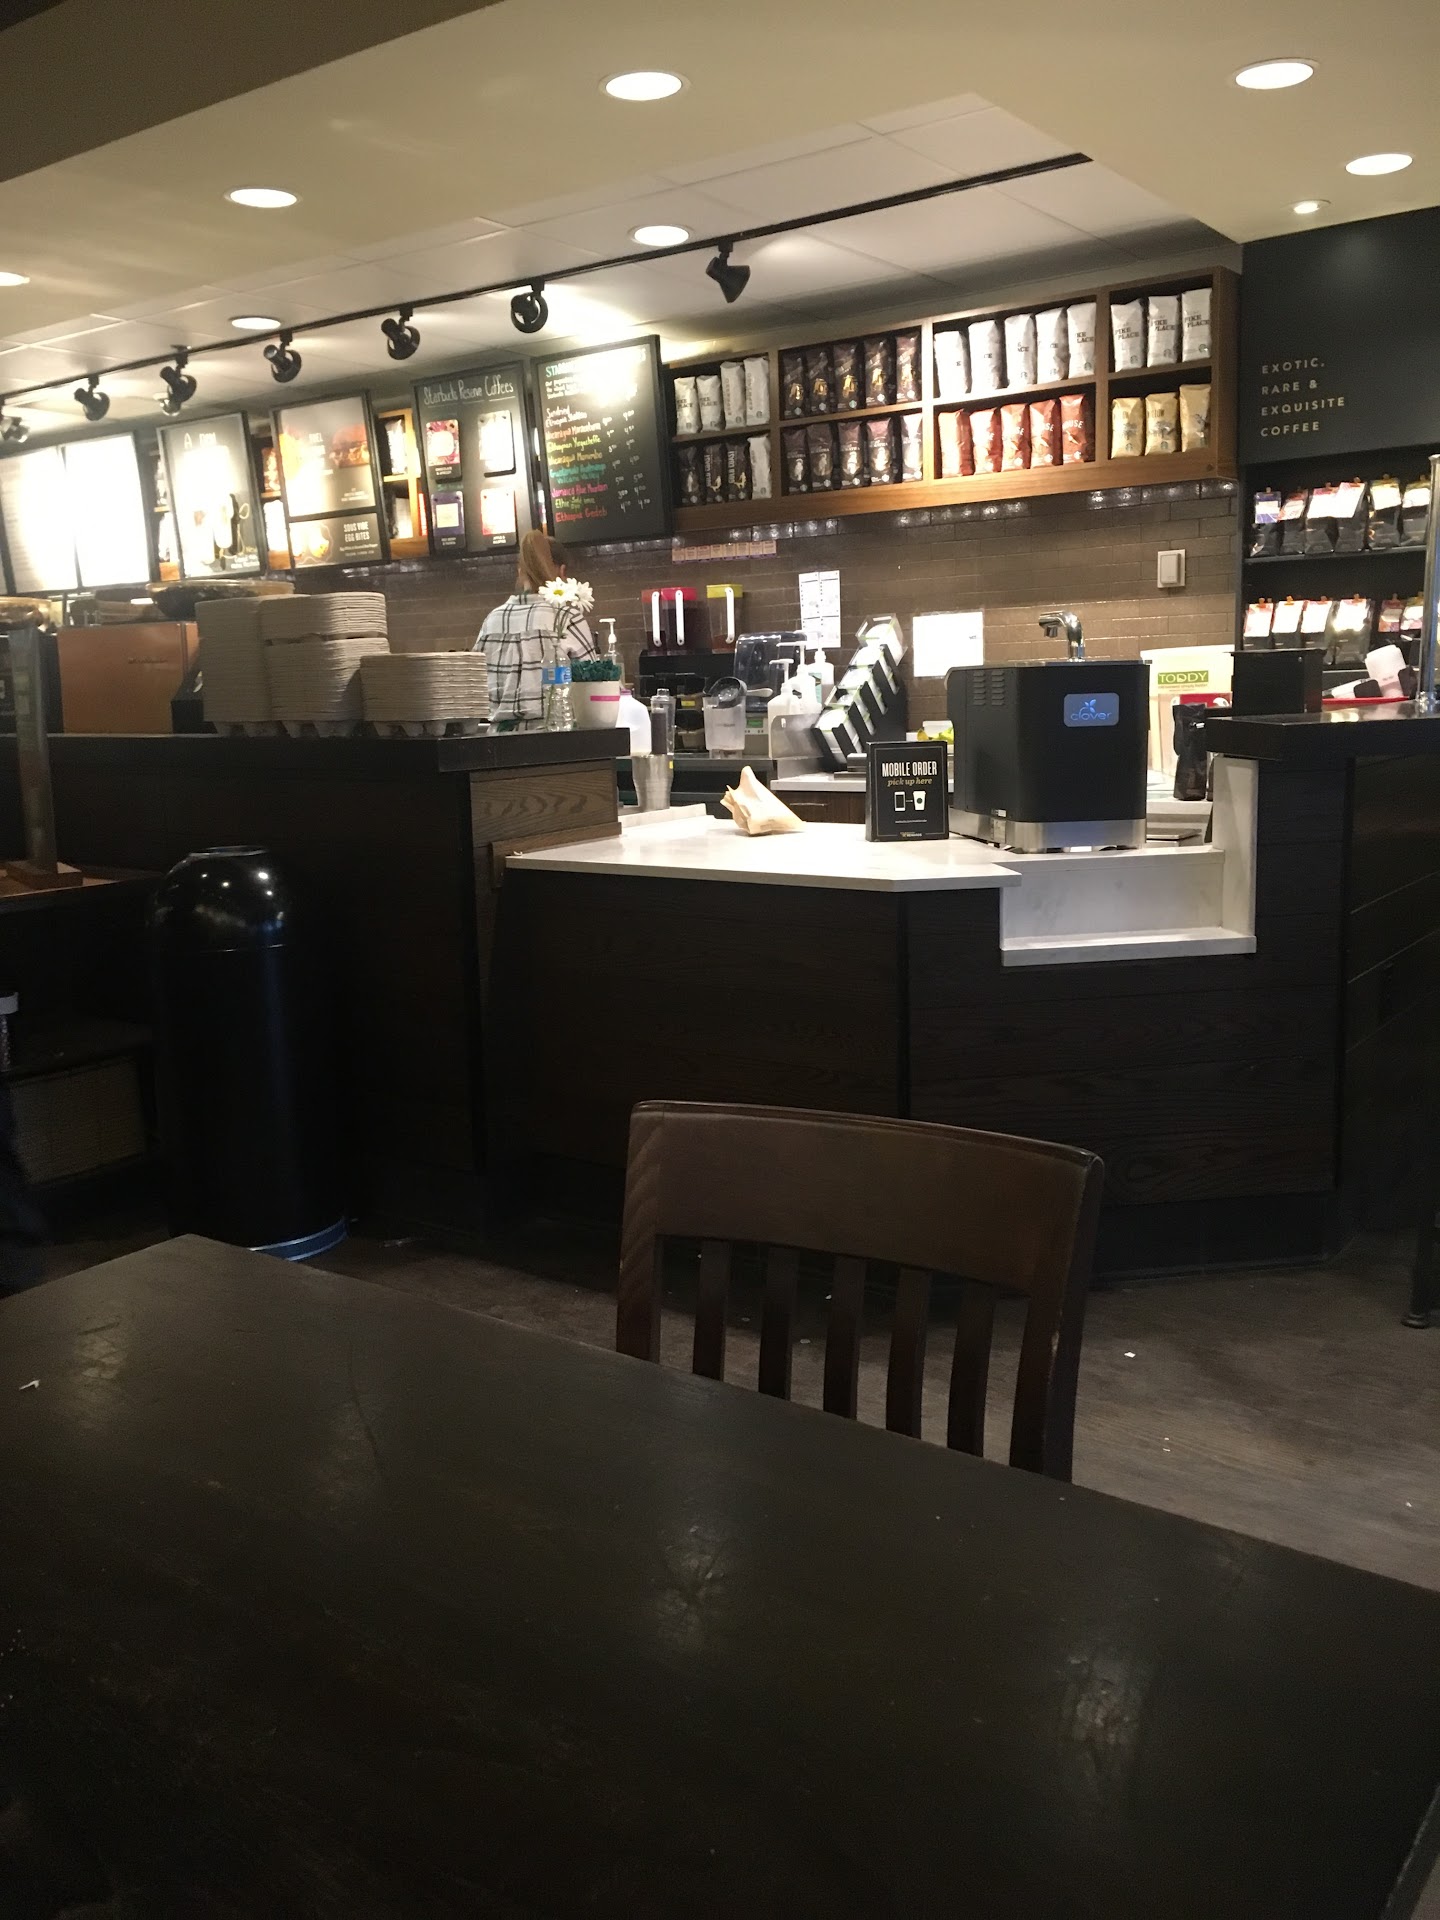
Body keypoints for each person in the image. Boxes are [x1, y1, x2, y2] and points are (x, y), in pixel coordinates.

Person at [473, 529, 597, 730]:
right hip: (554, 736)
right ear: (562, 572)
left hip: (497, 740)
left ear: (519, 571)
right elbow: (594, 684)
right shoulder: (566, 617)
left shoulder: (492, 621)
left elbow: (473, 686)